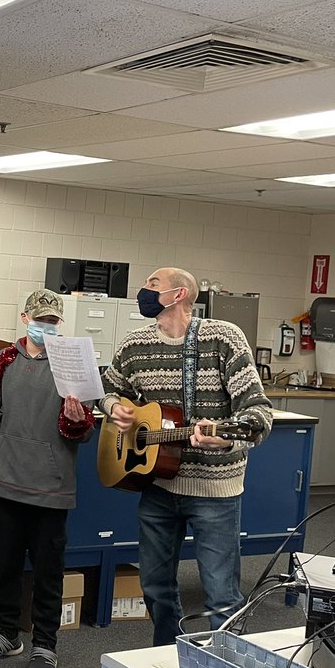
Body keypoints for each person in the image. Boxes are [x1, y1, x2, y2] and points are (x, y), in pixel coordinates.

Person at [101, 267, 273, 647]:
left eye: (152, 284)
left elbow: (258, 414)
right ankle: (166, 657)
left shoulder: (223, 338)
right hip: (157, 484)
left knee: (222, 598)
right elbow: (107, 388)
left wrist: (229, 440)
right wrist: (115, 406)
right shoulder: (135, 344)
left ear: (179, 295)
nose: (143, 290)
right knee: (156, 589)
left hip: (215, 490)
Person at [0, 289, 94, 668]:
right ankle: (6, 634)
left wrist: (75, 419)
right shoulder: (4, 360)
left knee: (49, 571)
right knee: (5, 565)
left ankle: (45, 645)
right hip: (4, 479)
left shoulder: (73, 362)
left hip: (50, 486)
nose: (46, 326)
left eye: (53, 321)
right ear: (24, 317)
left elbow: (83, 433)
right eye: (40, 319)